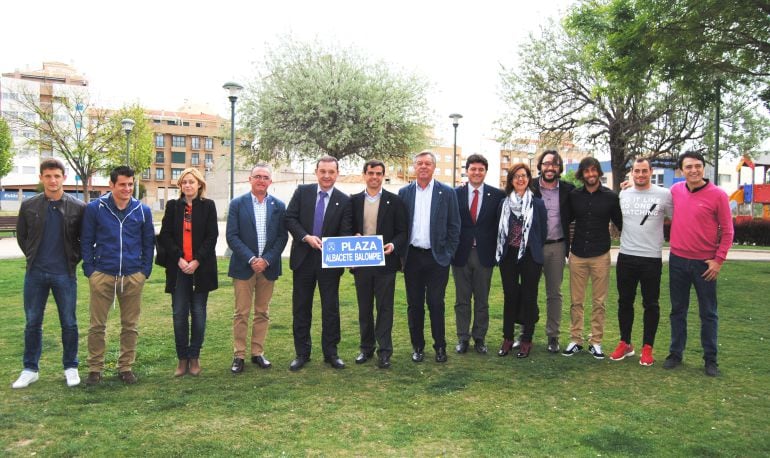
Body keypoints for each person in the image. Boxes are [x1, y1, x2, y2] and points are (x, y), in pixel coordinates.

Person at [12, 158, 86, 389]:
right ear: (41, 178)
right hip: (35, 273)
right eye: (48, 176)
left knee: (69, 322)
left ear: (64, 178)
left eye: (57, 176)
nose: (53, 180)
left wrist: (72, 259)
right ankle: (30, 369)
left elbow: (84, 240)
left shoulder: (78, 207)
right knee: (33, 322)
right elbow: (22, 236)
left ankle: (71, 367)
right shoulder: (29, 206)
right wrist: (34, 257)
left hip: (64, 273)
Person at [81, 166, 155, 385]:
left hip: (133, 275)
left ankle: (126, 367)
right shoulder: (96, 208)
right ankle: (95, 368)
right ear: (111, 185)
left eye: (130, 184)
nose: (127, 188)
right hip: (103, 273)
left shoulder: (142, 210)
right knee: (97, 326)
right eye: (122, 184)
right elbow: (86, 240)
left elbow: (148, 243)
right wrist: (90, 270)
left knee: (130, 325)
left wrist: (144, 271)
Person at [664, 151, 733, 377]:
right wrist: (629, 185)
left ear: (703, 168)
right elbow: (653, 198)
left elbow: (728, 231)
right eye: (688, 167)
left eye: (697, 166)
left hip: (705, 264)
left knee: (708, 313)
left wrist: (718, 260)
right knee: (678, 310)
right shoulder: (675, 191)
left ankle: (710, 360)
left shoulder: (718, 195)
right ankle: (676, 353)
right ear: (681, 171)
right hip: (677, 260)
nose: (693, 170)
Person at [285, 156, 352, 371]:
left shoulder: (344, 199)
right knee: (301, 308)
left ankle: (331, 353)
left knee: (330, 308)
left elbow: (345, 231)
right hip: (303, 259)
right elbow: (290, 219)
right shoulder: (302, 192)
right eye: (323, 171)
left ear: (337, 174)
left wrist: (350, 239)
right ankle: (302, 353)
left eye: (331, 172)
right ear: (316, 172)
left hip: (329, 262)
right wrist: (305, 237)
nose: (326, 176)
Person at [399, 151, 461, 363]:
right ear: (414, 167)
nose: (423, 167)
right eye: (419, 163)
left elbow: (454, 226)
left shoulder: (447, 192)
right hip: (413, 257)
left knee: (436, 303)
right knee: (414, 305)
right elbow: (400, 226)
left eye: (427, 163)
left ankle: (440, 347)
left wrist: (449, 252)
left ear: (434, 167)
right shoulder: (404, 192)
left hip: (437, 258)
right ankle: (417, 346)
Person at [226, 164, 288, 374]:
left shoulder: (279, 205)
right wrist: (252, 259)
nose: (261, 180)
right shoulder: (237, 204)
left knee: (262, 312)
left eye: (265, 177)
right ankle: (239, 355)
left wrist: (266, 260)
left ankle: (257, 352)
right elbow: (232, 236)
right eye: (257, 177)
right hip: (244, 267)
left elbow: (282, 237)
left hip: (268, 268)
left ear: (271, 181)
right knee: (241, 312)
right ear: (249, 179)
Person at [610, 158, 672, 366]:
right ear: (632, 173)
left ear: (651, 172)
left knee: (651, 304)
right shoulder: (624, 193)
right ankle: (625, 343)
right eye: (637, 171)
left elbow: (675, 218)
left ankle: (648, 347)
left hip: (651, 258)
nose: (641, 175)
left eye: (644, 171)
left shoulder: (664, 195)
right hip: (626, 256)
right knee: (624, 302)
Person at [157, 168, 219, 377]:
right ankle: (182, 359)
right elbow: (165, 235)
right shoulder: (173, 206)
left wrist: (197, 261)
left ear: (199, 184)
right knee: (179, 314)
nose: (188, 186)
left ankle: (194, 357)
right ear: (180, 186)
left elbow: (212, 236)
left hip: (200, 269)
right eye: (184, 182)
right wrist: (180, 259)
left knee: (199, 314)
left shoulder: (208, 206)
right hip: (179, 269)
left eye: (191, 182)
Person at [348, 160, 408, 369]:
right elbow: (346, 228)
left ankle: (385, 351)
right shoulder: (353, 201)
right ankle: (366, 349)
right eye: (371, 173)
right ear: (364, 175)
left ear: (383, 176)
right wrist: (352, 236)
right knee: (364, 309)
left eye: (379, 173)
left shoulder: (395, 201)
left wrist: (393, 245)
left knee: (385, 308)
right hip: (361, 263)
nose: (374, 177)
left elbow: (403, 232)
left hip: (386, 263)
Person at [562, 157, 622, 360]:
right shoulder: (574, 196)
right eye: (587, 171)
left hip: (600, 254)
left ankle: (596, 341)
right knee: (576, 301)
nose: (591, 174)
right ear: (582, 174)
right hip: (578, 253)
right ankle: (576, 339)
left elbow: (621, 223)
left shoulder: (610, 197)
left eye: (594, 171)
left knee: (599, 301)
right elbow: (563, 220)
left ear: (598, 173)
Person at [451, 154, 504, 355]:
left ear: (485, 172)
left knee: (482, 300)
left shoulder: (497, 195)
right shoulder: (455, 194)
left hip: (484, 255)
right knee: (462, 300)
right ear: (467, 170)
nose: (476, 173)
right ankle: (462, 338)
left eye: (480, 169)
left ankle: (480, 338)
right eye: (473, 169)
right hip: (460, 254)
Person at [495, 164, 547, 358]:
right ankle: (507, 338)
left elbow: (542, 233)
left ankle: (527, 339)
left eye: (524, 176)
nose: (520, 179)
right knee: (510, 296)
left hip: (530, 257)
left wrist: (530, 249)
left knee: (529, 296)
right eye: (516, 176)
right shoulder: (504, 204)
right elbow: (499, 230)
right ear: (511, 180)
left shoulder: (538, 204)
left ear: (528, 179)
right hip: (508, 256)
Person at [532, 150, 574, 353]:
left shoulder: (568, 190)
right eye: (547, 163)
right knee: (527, 291)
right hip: (533, 246)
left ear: (559, 168)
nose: (550, 168)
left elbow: (587, 201)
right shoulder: (529, 186)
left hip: (557, 246)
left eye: (555, 164)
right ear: (540, 166)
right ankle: (525, 333)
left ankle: (553, 336)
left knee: (554, 294)